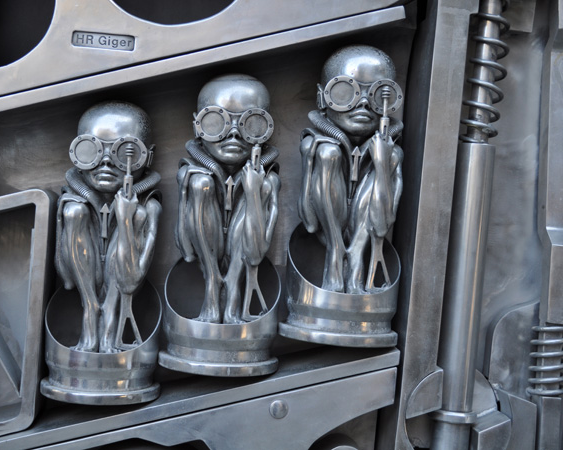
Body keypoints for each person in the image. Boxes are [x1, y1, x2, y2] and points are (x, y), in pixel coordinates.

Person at [55, 101, 161, 353]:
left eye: (124, 152)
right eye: (91, 150)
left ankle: (109, 326)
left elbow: (132, 281)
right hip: (86, 292)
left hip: (124, 285)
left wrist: (125, 222)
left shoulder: (148, 208)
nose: (105, 162)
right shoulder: (73, 207)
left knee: (138, 215)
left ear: (147, 157)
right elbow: (67, 279)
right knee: (75, 212)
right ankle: (91, 318)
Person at [298, 45, 403, 294]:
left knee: (390, 157)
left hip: (366, 236)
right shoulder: (317, 148)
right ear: (323, 97)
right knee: (327, 153)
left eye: (377, 94)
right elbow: (310, 222)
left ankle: (356, 262)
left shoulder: (391, 153)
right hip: (327, 236)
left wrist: (381, 165)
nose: (364, 103)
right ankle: (336, 256)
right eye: (346, 92)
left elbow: (382, 226)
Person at [176, 74, 280, 324]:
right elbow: (187, 251)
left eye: (250, 124)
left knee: (263, 186)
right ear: (197, 126)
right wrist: (187, 191)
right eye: (216, 122)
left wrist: (253, 194)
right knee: (200, 184)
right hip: (205, 265)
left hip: (244, 259)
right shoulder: (192, 178)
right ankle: (212, 291)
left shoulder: (267, 181)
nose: (233, 134)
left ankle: (233, 295)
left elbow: (256, 255)